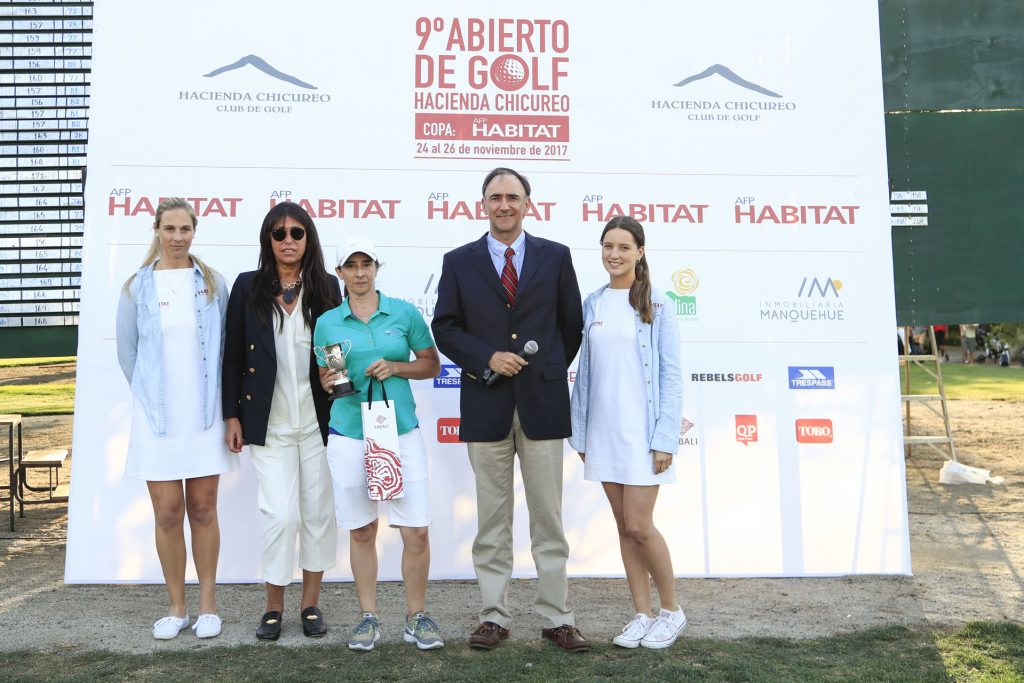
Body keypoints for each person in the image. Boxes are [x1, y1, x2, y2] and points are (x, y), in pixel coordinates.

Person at [432, 167, 587, 652]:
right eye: (495, 197)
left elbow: (571, 326)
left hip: (543, 405)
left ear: (527, 204)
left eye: (512, 197)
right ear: (483, 204)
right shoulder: (458, 262)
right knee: (492, 522)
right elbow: (445, 328)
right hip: (486, 403)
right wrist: (488, 358)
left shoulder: (556, 256)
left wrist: (546, 368)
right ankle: (493, 616)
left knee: (549, 521)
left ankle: (557, 617)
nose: (504, 204)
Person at [115, 197, 238, 640]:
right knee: (167, 513)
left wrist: (226, 412)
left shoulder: (213, 283)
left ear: (194, 231)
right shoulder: (136, 287)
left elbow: (227, 349)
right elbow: (128, 353)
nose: (177, 237)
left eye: (185, 229)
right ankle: (176, 607)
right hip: (158, 421)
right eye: (170, 228)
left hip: (204, 417)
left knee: (203, 510)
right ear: (157, 230)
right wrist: (153, 399)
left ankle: (208, 606)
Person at [314, 236, 444, 652]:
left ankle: (416, 616)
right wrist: (332, 381)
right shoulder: (329, 322)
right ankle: (368, 617)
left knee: (416, 530)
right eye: (350, 266)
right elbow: (330, 376)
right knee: (362, 530)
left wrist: (396, 367)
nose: (359, 273)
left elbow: (431, 364)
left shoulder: (404, 313)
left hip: (400, 431)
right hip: (350, 433)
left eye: (365, 264)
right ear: (339, 272)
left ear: (376, 267)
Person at [222, 202, 341, 641]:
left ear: (308, 238)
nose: (288, 240)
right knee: (280, 514)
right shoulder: (247, 286)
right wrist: (231, 415)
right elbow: (233, 356)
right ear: (267, 240)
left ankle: (310, 605)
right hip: (268, 422)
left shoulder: (326, 286)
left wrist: (338, 382)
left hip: (318, 421)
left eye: (296, 233)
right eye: (279, 233)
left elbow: (335, 347)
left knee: (317, 513)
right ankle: (274, 606)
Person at [569, 216, 686, 649]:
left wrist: (665, 438)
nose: (614, 254)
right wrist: (580, 433)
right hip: (602, 431)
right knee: (623, 527)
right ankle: (642, 613)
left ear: (640, 252)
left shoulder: (659, 305)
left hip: (643, 435)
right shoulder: (593, 303)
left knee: (640, 524)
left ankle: (672, 611)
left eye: (623, 247)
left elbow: (671, 376)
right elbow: (585, 373)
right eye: (607, 246)